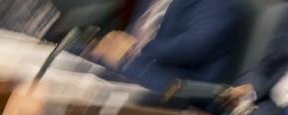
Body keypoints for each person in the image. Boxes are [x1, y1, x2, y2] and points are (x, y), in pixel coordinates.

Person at [88, 0, 244, 92]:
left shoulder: (220, 3)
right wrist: (114, 43)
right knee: (80, 55)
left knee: (105, 68)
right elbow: (134, 32)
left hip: (178, 85)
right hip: (141, 68)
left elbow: (192, 47)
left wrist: (131, 50)